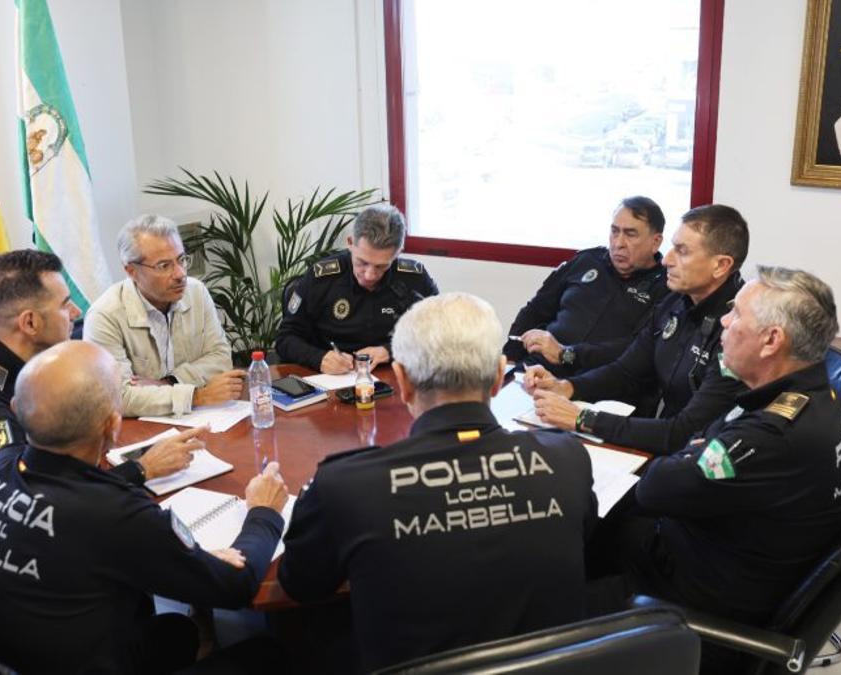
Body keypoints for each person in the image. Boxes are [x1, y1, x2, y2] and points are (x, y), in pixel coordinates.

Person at [277, 293, 597, 671]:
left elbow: (300, 585)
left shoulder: (345, 485)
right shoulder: (567, 459)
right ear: (498, 377)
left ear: (402, 380)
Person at [0, 340, 290, 674]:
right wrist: (263, 513)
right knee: (270, 655)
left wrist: (142, 469)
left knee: (175, 632)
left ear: (16, 410)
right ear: (112, 426)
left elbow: (74, 496)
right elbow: (236, 586)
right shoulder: (116, 514)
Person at [587, 267, 841, 669]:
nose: (725, 323)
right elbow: (697, 447)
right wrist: (690, 453)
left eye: (737, 315)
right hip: (723, 558)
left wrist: (687, 454)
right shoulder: (816, 395)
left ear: (771, 341)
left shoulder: (772, 434)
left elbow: (656, 488)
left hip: (687, 604)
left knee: (550, 585)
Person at [0, 250, 196, 554]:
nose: (75, 314)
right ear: (29, 323)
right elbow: (38, 501)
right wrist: (143, 469)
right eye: (64, 305)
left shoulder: (3, 364)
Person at [525, 204, 750, 455]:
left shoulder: (737, 329)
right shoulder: (676, 301)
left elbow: (682, 432)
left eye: (682, 251)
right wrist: (566, 387)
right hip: (668, 448)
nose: (666, 260)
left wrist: (583, 419)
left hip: (704, 458)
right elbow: (626, 371)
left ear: (720, 265)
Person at [85, 214, 245, 417]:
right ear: (131, 271)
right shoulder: (104, 316)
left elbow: (221, 358)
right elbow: (118, 398)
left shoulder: (196, 292)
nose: (180, 274)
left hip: (201, 421)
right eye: (164, 266)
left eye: (181, 260)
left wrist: (169, 382)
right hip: (139, 432)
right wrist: (197, 396)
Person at [505, 196, 670, 377]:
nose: (618, 243)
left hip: (600, 384)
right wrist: (509, 359)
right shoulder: (587, 261)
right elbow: (535, 310)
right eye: (615, 232)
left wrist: (565, 354)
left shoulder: (666, 287)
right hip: (536, 370)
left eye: (630, 234)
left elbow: (636, 350)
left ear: (655, 242)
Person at [274, 203, 439, 374]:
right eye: (362, 262)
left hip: (393, 376)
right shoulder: (321, 278)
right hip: (332, 379)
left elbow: (438, 331)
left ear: (397, 253)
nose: (369, 275)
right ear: (350, 243)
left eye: (381, 266)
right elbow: (285, 339)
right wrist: (319, 358)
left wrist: (390, 351)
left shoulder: (415, 279)